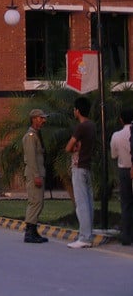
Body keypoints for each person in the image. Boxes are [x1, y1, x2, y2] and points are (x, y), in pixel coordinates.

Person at [65, 96, 96, 249]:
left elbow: (68, 147)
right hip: (88, 166)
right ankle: (88, 234)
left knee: (81, 203)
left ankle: (84, 237)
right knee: (88, 202)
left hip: (78, 166)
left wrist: (74, 147)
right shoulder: (92, 126)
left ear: (77, 110)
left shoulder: (81, 127)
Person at [22, 109, 49, 243]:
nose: (44, 120)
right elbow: (32, 159)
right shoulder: (30, 136)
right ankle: (29, 232)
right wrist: (36, 176)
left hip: (38, 173)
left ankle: (34, 230)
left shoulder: (36, 135)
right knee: (35, 202)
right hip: (34, 174)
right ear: (34, 119)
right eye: (41, 118)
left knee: (39, 202)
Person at [110, 108, 133, 246]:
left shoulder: (116, 136)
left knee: (126, 204)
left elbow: (113, 155)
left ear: (121, 119)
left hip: (124, 170)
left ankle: (126, 236)